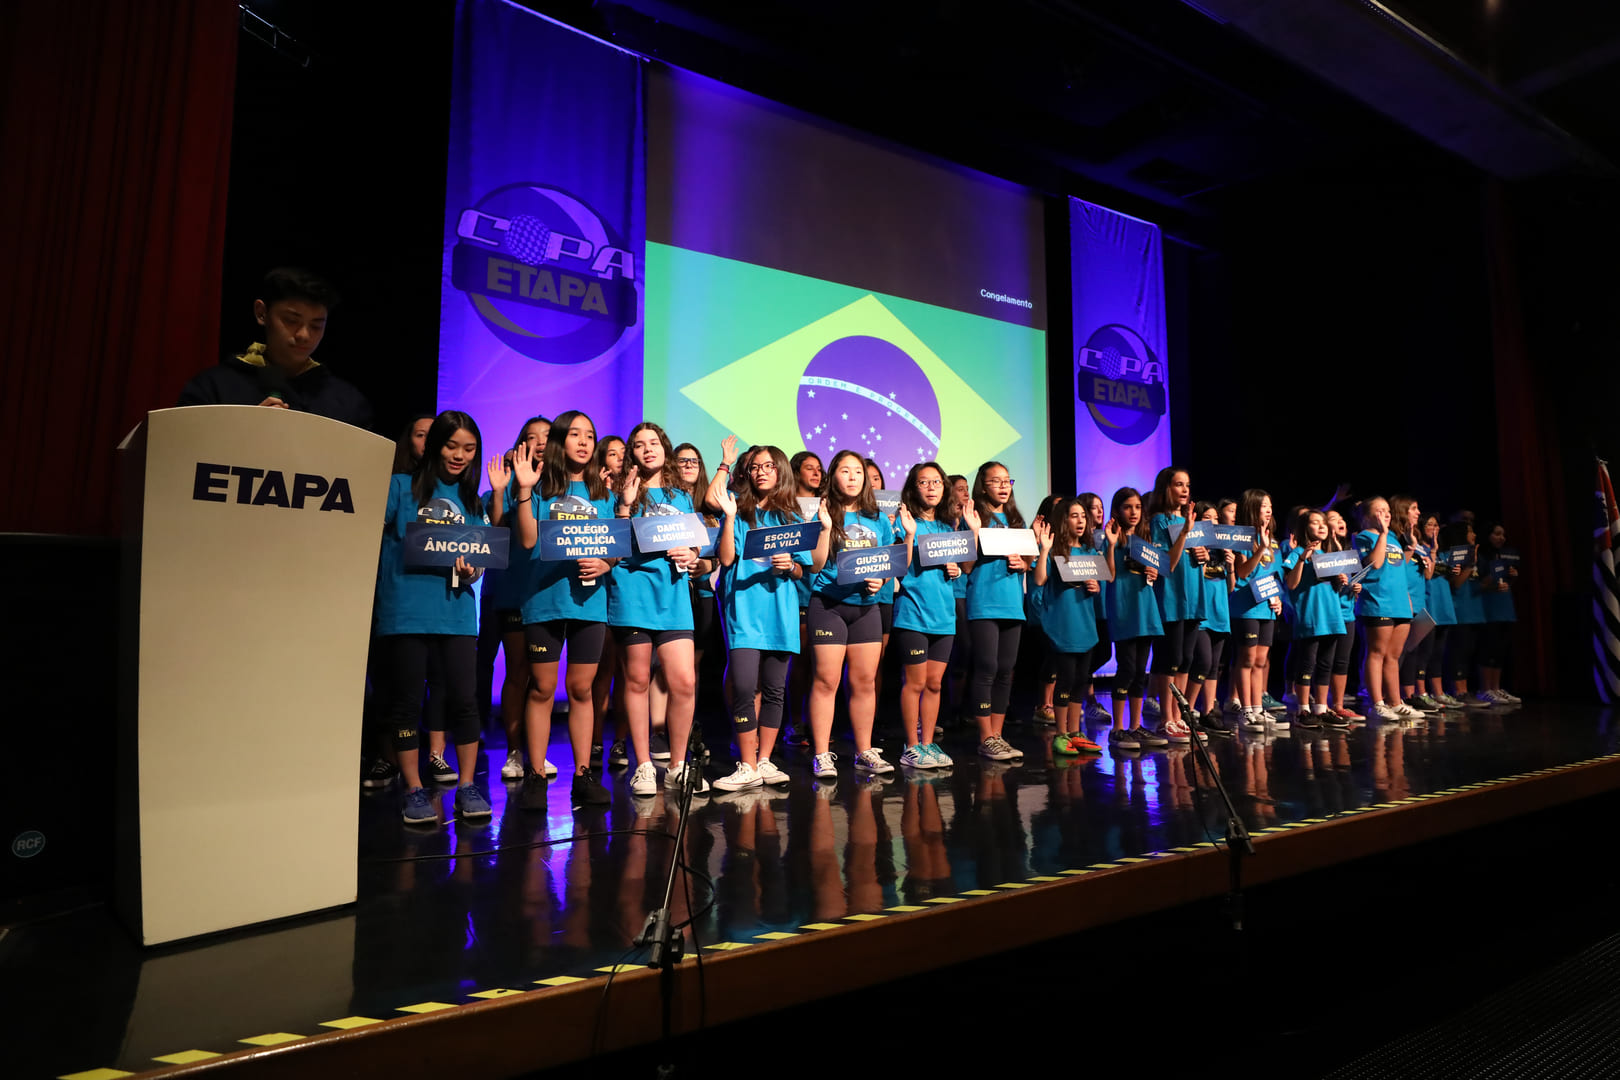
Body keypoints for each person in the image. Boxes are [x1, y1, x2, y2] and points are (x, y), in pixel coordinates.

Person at [375, 410, 493, 825]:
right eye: (451, 445)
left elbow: (479, 560)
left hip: (456, 615)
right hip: (405, 612)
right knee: (406, 702)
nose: (459, 455)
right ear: (433, 444)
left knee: (464, 698)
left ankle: (466, 786)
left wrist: (471, 569)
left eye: (469, 448)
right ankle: (413, 789)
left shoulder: (473, 501)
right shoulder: (398, 488)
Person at [709, 439, 830, 791]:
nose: (762, 472)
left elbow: (806, 569)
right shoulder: (738, 508)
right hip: (744, 612)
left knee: (776, 690)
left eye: (769, 466)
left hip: (780, 612)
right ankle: (746, 764)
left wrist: (790, 565)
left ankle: (764, 760)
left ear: (780, 472)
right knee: (745, 687)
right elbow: (727, 559)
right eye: (756, 467)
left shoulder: (791, 516)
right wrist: (730, 518)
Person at [507, 410, 613, 809]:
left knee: (582, 688)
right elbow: (530, 540)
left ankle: (583, 776)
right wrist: (523, 490)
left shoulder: (603, 490)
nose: (584, 442)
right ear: (559, 442)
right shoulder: (539, 486)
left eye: (590, 435)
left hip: (589, 603)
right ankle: (536, 775)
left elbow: (614, 545)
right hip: (544, 601)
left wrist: (606, 563)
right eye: (575, 434)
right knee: (543, 688)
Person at [611, 422, 707, 796]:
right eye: (639, 444)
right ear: (631, 453)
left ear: (664, 449)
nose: (647, 449)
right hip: (632, 595)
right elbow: (613, 550)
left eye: (654, 443)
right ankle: (644, 766)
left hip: (673, 596)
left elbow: (696, 545)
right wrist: (623, 505)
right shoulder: (619, 493)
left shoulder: (681, 496)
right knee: (636, 681)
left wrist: (692, 553)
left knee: (684, 680)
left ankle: (679, 764)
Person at [807, 449, 910, 779]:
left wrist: (883, 574)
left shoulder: (877, 517)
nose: (852, 477)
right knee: (827, 681)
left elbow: (894, 564)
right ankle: (822, 754)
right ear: (833, 475)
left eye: (858, 472)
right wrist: (824, 529)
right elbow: (815, 564)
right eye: (845, 471)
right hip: (828, 606)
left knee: (865, 682)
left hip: (867, 608)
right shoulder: (824, 512)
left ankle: (864, 751)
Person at [179, 267, 371, 429]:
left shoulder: (348, 402)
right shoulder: (213, 388)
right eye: (291, 320)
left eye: (316, 325)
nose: (304, 335)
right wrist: (245, 433)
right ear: (261, 313)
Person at [484, 417, 555, 784]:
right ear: (520, 444)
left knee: (545, 681)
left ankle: (537, 750)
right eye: (532, 436)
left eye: (547, 435)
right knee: (518, 672)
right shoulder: (509, 481)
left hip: (547, 592)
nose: (540, 441)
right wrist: (499, 491)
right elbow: (496, 536)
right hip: (514, 591)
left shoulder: (561, 482)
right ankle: (515, 750)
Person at [891, 462, 962, 768]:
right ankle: (911, 745)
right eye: (924, 482)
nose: (932, 487)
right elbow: (900, 569)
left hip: (944, 615)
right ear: (913, 487)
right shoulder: (903, 522)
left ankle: (928, 742)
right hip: (913, 614)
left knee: (934, 684)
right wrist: (908, 536)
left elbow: (959, 569)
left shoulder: (948, 527)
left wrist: (956, 568)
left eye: (937, 482)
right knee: (915, 683)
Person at [962, 461, 1031, 763]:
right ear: (983, 485)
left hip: (1012, 604)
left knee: (1006, 671)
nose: (1004, 486)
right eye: (996, 481)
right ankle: (985, 737)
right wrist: (974, 532)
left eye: (1007, 480)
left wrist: (1025, 564)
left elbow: (1028, 561)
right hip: (984, 602)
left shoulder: (1015, 519)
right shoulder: (973, 517)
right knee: (987, 668)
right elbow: (965, 565)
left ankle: (998, 736)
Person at [1031, 496, 1104, 756]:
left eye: (1083, 516)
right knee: (1066, 680)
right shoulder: (1055, 552)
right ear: (1064, 520)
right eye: (1074, 516)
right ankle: (1060, 735)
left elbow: (1098, 585)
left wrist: (1096, 586)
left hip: (1086, 626)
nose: (1081, 520)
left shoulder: (1090, 553)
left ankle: (1075, 732)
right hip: (1063, 626)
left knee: (1081, 681)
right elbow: (1039, 580)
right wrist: (1043, 550)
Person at [1102, 487, 1167, 749]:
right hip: (1124, 610)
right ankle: (1117, 729)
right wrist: (1111, 544)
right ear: (1117, 510)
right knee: (1127, 668)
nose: (1134, 512)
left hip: (1146, 610)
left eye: (1138, 507)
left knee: (1141, 672)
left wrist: (1154, 571)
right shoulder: (1112, 538)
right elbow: (1109, 575)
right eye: (1128, 507)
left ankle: (1135, 726)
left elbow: (1160, 571)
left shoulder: (1145, 541)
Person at [1352, 497, 1421, 721]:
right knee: (1377, 653)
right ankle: (1377, 703)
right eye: (1380, 511)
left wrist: (1409, 545)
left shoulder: (1393, 537)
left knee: (1393, 656)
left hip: (1399, 603)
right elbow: (1375, 564)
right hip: (1377, 602)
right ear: (1366, 517)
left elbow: (1398, 565)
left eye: (1387, 510)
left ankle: (1395, 702)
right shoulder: (1363, 537)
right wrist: (1381, 534)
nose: (1386, 514)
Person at [1145, 466, 1201, 743]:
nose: (1185, 490)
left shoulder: (1190, 521)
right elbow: (1166, 563)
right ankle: (1166, 719)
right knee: (1171, 659)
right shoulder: (1158, 521)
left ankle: (1179, 718)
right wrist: (1184, 535)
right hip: (1171, 596)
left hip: (1193, 596)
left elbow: (1195, 559)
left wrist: (1202, 552)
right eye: (1179, 484)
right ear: (1166, 488)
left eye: (1187, 484)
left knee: (1186, 659)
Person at [1282, 510, 1347, 729]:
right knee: (1307, 664)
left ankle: (1321, 707)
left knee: (1326, 664)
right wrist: (1302, 558)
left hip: (1332, 616)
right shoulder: (1298, 552)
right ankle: (1303, 709)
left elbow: (1334, 588)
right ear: (1304, 528)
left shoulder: (1330, 554)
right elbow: (1290, 584)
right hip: (1311, 617)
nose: (1321, 526)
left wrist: (1341, 579)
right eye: (1314, 523)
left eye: (1323, 523)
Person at [1231, 489, 1284, 732]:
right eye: (1264, 505)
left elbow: (1272, 575)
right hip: (1246, 608)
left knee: (1261, 661)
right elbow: (1242, 572)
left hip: (1266, 608)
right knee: (1247, 659)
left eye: (1270, 505)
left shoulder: (1271, 539)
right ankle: (1246, 710)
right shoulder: (1242, 537)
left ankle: (1258, 708)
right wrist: (1260, 548)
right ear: (1252, 508)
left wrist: (1277, 597)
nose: (1269, 509)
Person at [1477, 522, 1523, 704]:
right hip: (1488, 608)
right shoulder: (1481, 556)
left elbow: (1505, 584)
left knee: (1500, 650)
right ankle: (1485, 688)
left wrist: (1512, 577)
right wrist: (1493, 580)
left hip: (1505, 607)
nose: (1501, 538)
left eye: (1503, 534)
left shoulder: (1506, 556)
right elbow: (1478, 584)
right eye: (1496, 534)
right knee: (1488, 648)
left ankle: (1496, 688)